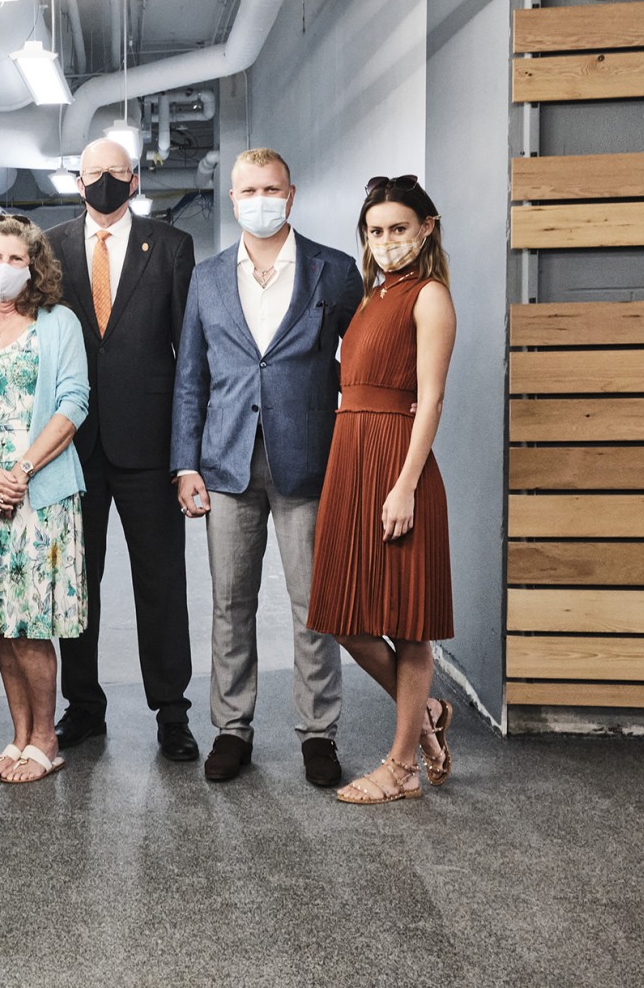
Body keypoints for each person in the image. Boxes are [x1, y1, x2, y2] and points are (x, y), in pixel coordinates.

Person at [170, 148, 363, 787]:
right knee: (230, 602)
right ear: (232, 199)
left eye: (271, 189)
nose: (261, 200)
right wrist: (184, 464)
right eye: (249, 190)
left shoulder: (334, 272)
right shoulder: (207, 278)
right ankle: (232, 729)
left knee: (313, 605)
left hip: (308, 459)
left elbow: (362, 362)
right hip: (226, 462)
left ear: (292, 194)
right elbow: (190, 378)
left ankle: (319, 734)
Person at [46, 138, 199, 761]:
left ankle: (172, 712)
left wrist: (187, 454)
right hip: (72, 445)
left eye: (116, 171)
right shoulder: (50, 246)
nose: (104, 181)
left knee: (160, 582)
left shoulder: (171, 246)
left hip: (150, 444)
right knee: (77, 583)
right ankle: (83, 707)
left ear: (134, 180)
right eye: (93, 172)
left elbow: (189, 357)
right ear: (77, 181)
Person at [307, 174, 457, 805]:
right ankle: (427, 716)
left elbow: (431, 400)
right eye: (376, 230)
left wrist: (405, 486)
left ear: (426, 229)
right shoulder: (373, 295)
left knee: (409, 622)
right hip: (352, 456)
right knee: (344, 617)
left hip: (397, 463)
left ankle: (402, 769)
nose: (387, 239)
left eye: (399, 228)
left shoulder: (429, 296)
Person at [0, 215, 90, 784]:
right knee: (2, 625)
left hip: (40, 495)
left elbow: (73, 403)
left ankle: (46, 739)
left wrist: (20, 472)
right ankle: (18, 736)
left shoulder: (58, 324)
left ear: (34, 268)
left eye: (15, 259)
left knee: (31, 623)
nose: (3, 268)